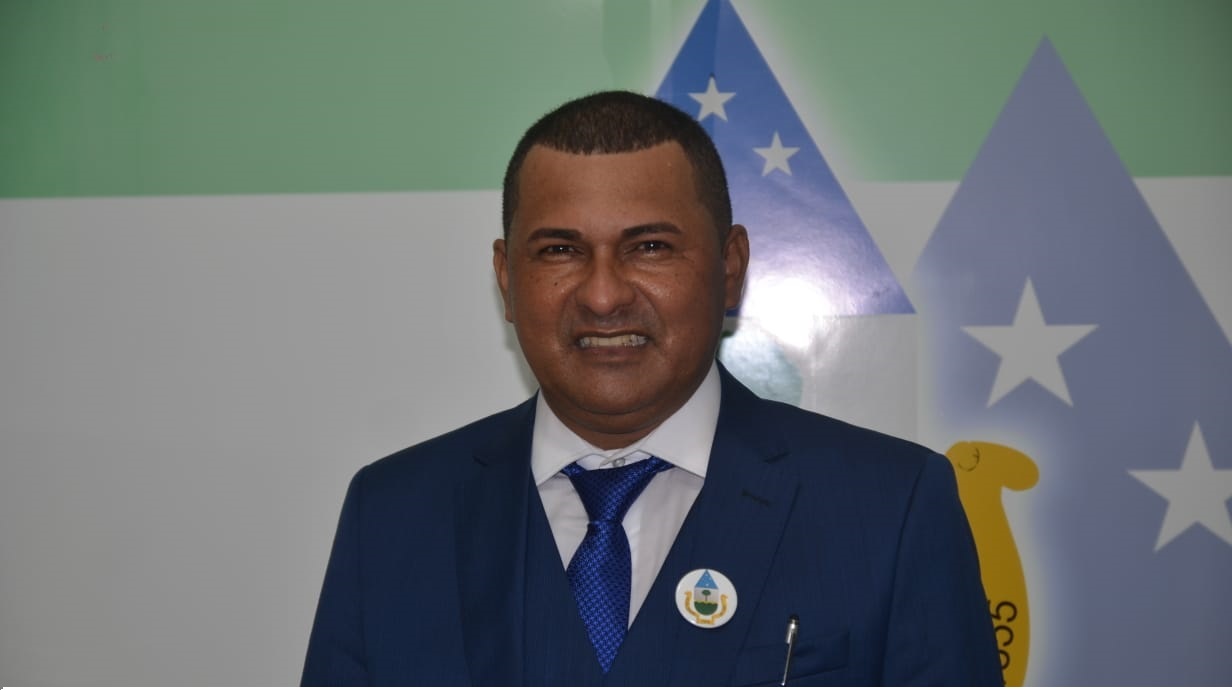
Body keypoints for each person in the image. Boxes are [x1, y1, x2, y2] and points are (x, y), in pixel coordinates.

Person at [301, 90, 1003, 685]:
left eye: (650, 248)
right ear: (508, 279)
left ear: (730, 269)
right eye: (560, 251)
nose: (603, 296)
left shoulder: (891, 508)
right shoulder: (394, 515)